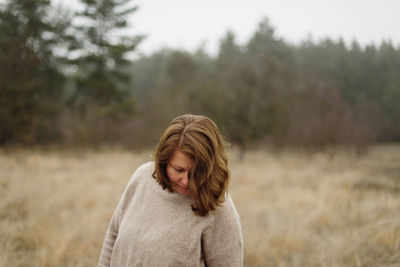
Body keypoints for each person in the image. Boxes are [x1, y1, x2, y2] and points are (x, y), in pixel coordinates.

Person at [98, 114, 243, 267]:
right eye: (178, 169)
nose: (186, 181)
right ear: (164, 161)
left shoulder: (219, 207)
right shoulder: (142, 177)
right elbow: (113, 235)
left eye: (197, 173)